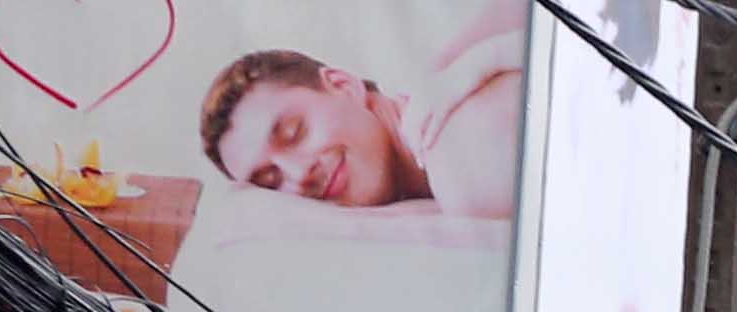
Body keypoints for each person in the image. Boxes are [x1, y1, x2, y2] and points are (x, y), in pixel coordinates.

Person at [201, 4, 529, 212]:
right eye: (272, 181)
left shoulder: (460, 161)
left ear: (344, 85)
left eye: (294, 132)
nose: (299, 176)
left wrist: (495, 54)